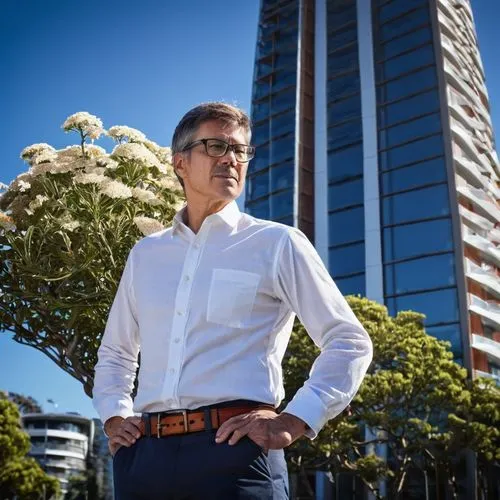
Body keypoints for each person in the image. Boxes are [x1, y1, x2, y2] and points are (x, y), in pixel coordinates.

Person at [93, 102, 373, 499]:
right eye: (215, 147)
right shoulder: (146, 253)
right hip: (144, 459)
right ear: (180, 163)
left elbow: (349, 341)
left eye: (240, 150)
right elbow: (117, 352)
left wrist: (294, 419)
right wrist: (113, 415)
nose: (231, 159)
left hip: (236, 456)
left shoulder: (277, 243)